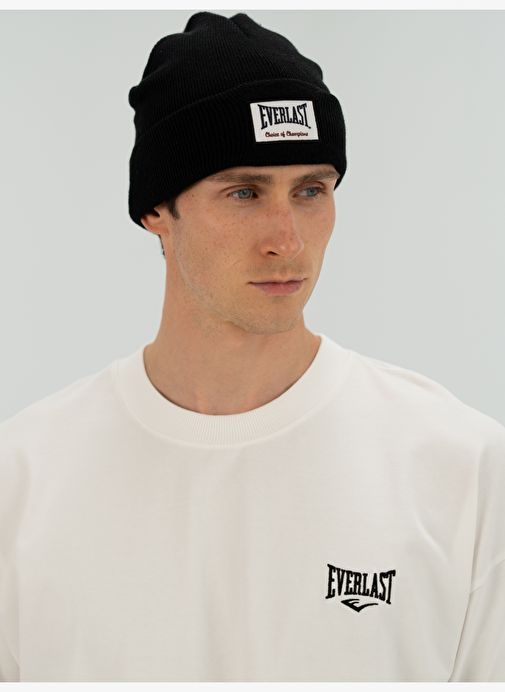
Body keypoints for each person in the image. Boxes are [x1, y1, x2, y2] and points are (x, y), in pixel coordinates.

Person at [0, 11, 504, 683]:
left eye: (310, 190)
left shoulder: (461, 469)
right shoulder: (24, 479)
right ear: (155, 209)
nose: (286, 240)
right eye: (243, 192)